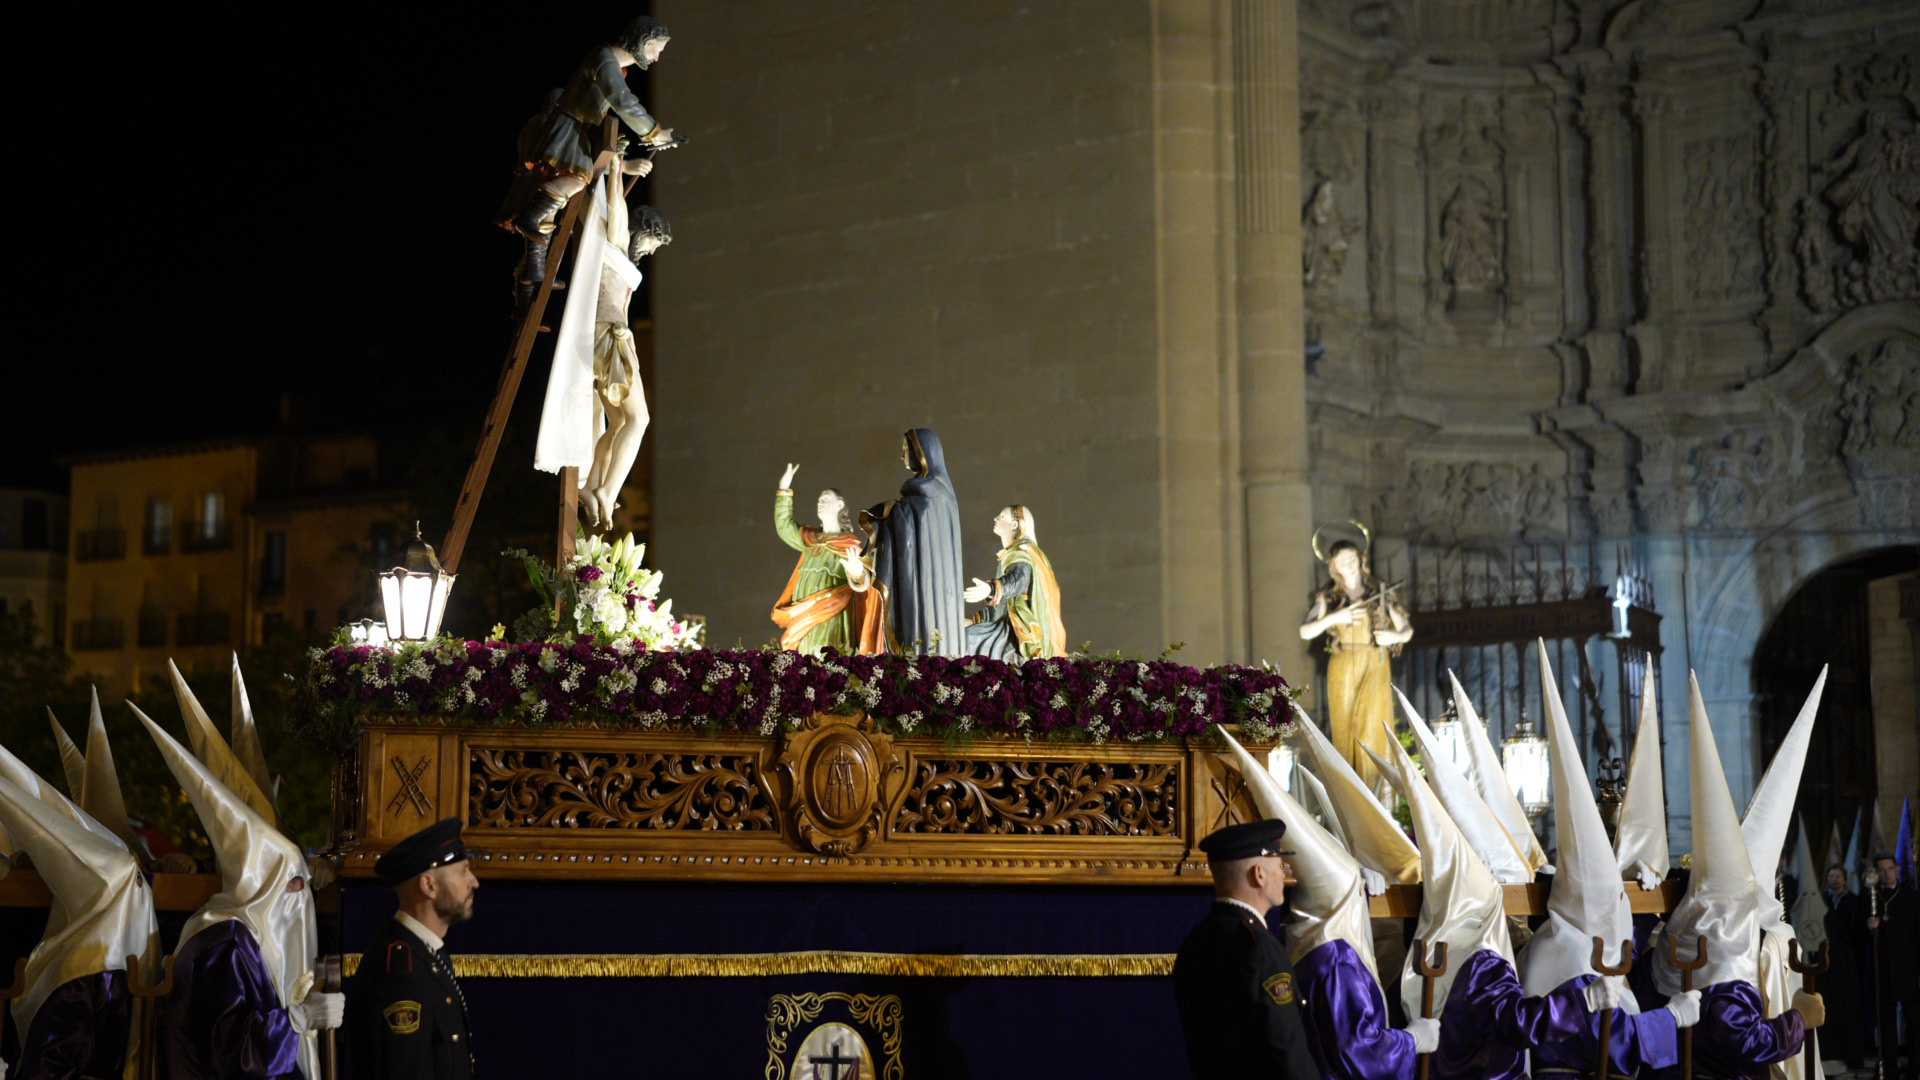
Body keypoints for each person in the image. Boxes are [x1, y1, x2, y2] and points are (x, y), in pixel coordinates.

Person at [132, 705, 343, 1079]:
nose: (303, 890)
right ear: (260, 884)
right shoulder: (224, 942)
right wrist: (299, 1018)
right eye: (292, 879)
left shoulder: (252, 931)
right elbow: (227, 1051)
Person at [497, 18, 677, 301]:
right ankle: (529, 220)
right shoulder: (604, 59)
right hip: (570, 130)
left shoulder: (614, 66)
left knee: (555, 206)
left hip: (577, 132)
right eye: (656, 49)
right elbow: (622, 100)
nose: (656, 58)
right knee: (576, 180)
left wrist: (624, 156)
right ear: (644, 41)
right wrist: (654, 132)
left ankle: (534, 272)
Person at [1172, 819, 1321, 1080]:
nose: (1284, 875)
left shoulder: (1197, 938)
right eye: (1279, 866)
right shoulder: (1259, 948)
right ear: (1259, 874)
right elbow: (1285, 1049)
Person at [345, 818, 480, 1080]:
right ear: (429, 886)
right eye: (463, 871)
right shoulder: (402, 970)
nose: (474, 882)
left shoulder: (423, 953)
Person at [1298, 529, 1411, 789]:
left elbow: (1405, 630)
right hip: (1343, 663)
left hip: (1374, 660)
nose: (1348, 565)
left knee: (1374, 725)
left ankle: (1379, 794)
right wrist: (1334, 617)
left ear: (1361, 559)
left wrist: (1393, 636)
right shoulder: (1329, 597)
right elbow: (1306, 631)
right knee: (1346, 727)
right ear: (1334, 567)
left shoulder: (1380, 591)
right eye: (1341, 562)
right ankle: (1351, 795)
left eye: (1351, 559)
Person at [863, 429, 966, 655]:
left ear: (921, 453)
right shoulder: (945, 495)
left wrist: (882, 515)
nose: (902, 456)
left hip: (923, 577)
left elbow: (905, 523)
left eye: (906, 450)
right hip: (926, 576)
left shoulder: (927, 491)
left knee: (918, 629)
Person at [771, 463, 889, 655]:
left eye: (825, 499)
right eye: (819, 500)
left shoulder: (849, 545)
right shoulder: (811, 540)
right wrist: (784, 490)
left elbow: (865, 586)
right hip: (802, 619)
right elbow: (784, 527)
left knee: (826, 659)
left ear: (840, 505)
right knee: (803, 663)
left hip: (833, 619)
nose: (820, 503)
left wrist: (856, 573)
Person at [963, 505, 1066, 660]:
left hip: (1019, 633)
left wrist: (990, 589)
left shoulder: (1021, 554)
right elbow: (1004, 607)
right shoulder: (1013, 553)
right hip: (1008, 625)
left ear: (1014, 525)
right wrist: (974, 620)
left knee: (968, 639)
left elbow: (1017, 581)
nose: (996, 519)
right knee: (964, 634)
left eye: (1002, 516)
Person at [1869, 851, 1918, 1080]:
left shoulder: (1911, 897)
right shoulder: (1871, 897)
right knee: (1885, 1022)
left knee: (1914, 1021)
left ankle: (1915, 1066)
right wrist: (1868, 926)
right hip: (1883, 969)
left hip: (1909, 968)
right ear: (1876, 873)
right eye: (1882, 870)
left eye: (1890, 869)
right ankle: (1889, 1067)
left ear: (1897, 870)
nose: (1887, 874)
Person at [1821, 864, 1868, 1069]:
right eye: (1831, 876)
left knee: (1847, 1004)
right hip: (1826, 960)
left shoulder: (1853, 901)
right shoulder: (1821, 901)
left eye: (1838, 876)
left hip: (1847, 960)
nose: (1834, 880)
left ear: (1845, 879)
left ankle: (1850, 1053)